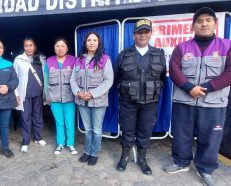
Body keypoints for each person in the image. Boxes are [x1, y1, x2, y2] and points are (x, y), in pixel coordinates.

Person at [164, 7, 231, 186]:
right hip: (184, 100)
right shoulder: (182, 47)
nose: (203, 24)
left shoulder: (227, 46)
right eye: (199, 21)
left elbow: (229, 73)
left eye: (208, 20)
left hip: (214, 103)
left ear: (215, 24)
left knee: (211, 137)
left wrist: (206, 88)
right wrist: (189, 87)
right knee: (182, 134)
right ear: (193, 26)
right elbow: (175, 69)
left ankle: (205, 169)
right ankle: (181, 162)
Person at [114, 19, 166, 175]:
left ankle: (142, 159)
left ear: (150, 33)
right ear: (134, 34)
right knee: (127, 131)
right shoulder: (123, 55)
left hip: (150, 102)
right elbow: (116, 77)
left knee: (145, 132)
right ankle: (124, 157)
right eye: (139, 32)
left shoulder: (159, 54)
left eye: (145, 32)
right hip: (128, 102)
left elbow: (162, 77)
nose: (142, 35)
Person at [70, 32, 114, 166]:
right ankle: (87, 152)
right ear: (85, 43)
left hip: (98, 101)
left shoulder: (105, 59)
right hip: (82, 100)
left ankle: (95, 153)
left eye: (95, 40)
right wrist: (77, 92)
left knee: (96, 129)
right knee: (87, 129)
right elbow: (72, 79)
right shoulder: (79, 60)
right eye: (89, 40)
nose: (92, 42)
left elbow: (108, 81)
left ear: (99, 43)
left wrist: (92, 94)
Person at [44, 38, 77, 155]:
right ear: (54, 48)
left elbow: (78, 79)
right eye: (57, 46)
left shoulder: (74, 60)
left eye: (63, 46)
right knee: (59, 122)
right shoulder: (49, 61)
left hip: (70, 98)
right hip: (54, 98)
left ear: (67, 48)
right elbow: (46, 81)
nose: (60, 48)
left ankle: (71, 144)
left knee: (70, 121)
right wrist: (46, 97)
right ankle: (61, 143)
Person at [13, 37, 47, 153]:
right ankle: (25, 141)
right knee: (25, 118)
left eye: (31, 45)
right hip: (25, 94)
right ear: (24, 47)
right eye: (26, 45)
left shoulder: (42, 59)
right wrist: (16, 93)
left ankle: (38, 137)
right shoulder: (18, 59)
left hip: (38, 93)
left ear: (35, 46)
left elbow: (46, 76)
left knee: (38, 116)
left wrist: (46, 93)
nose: (29, 48)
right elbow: (14, 78)